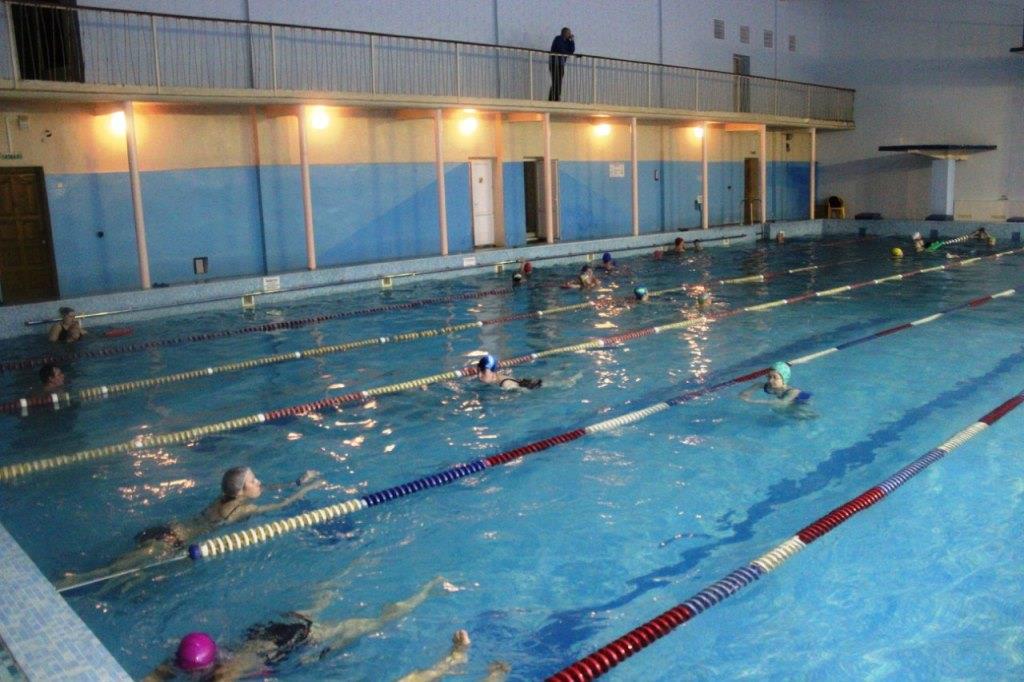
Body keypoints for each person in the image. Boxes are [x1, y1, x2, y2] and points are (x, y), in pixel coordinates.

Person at [56, 467, 324, 589]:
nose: (260, 482)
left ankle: (79, 578)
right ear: (242, 491)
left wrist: (298, 481)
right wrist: (309, 489)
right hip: (168, 543)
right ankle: (72, 581)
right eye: (254, 481)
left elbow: (270, 489)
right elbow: (282, 505)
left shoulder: (226, 498)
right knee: (116, 571)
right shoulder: (242, 510)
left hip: (165, 531)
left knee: (122, 568)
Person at [145, 577, 451, 681]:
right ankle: (333, 585)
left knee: (368, 625)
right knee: (315, 612)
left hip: (289, 643)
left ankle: (424, 592)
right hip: (263, 634)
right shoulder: (188, 659)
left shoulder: (223, 674)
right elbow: (157, 674)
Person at [739, 361, 811, 407]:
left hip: (800, 404)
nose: (771, 380)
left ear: (784, 379)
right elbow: (757, 385)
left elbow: (781, 403)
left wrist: (753, 401)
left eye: (775, 377)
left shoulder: (793, 392)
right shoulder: (770, 387)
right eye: (769, 377)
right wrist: (745, 394)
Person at [475, 354, 541, 390]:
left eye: (484, 371)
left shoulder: (506, 385)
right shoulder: (496, 376)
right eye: (478, 370)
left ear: (493, 372)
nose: (479, 375)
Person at [548, 27, 575, 101]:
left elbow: (572, 51)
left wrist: (572, 41)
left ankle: (554, 97)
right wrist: (567, 52)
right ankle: (554, 97)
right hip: (554, 63)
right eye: (568, 33)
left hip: (561, 64)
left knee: (559, 81)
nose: (570, 35)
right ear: (564, 33)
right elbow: (561, 50)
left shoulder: (568, 41)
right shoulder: (558, 39)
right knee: (556, 80)